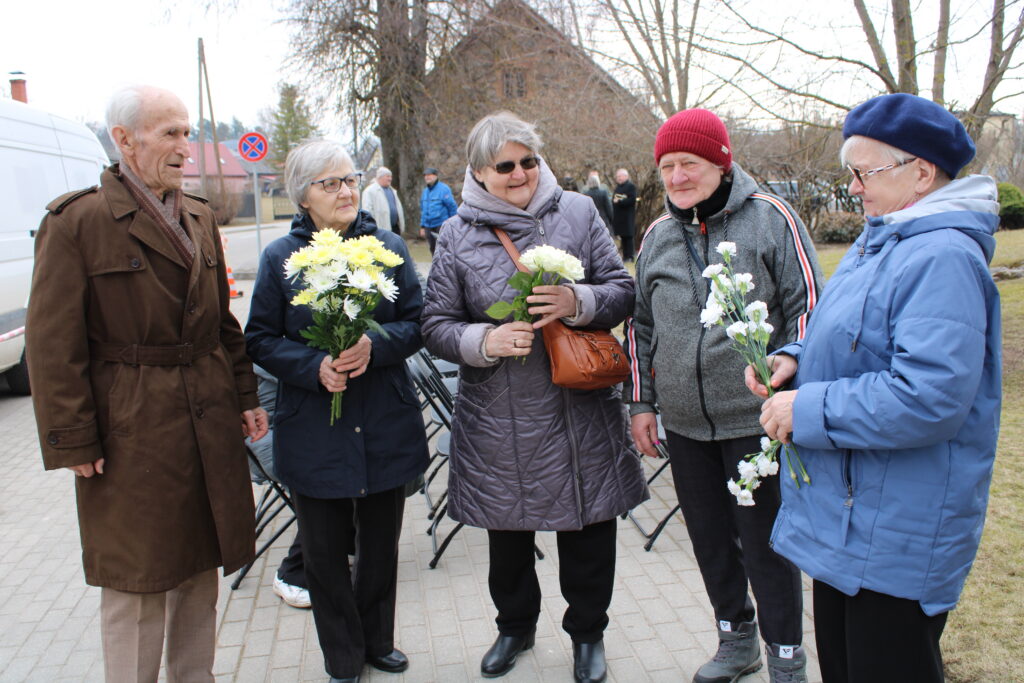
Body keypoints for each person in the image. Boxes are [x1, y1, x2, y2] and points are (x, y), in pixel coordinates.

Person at [749, 93, 1002, 683]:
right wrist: (792, 361)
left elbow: (928, 397)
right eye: (852, 173)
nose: (854, 187)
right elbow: (852, 338)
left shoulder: (942, 256)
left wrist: (807, 408)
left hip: (896, 530)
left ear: (922, 172)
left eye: (865, 173)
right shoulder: (881, 240)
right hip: (852, 517)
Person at [25, 84, 268, 683]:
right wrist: (73, 439)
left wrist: (245, 396)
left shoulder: (199, 215)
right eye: (170, 133)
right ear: (125, 140)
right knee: (137, 582)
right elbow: (53, 347)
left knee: (199, 570)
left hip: (206, 417)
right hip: (129, 428)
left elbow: (221, 324)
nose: (185, 146)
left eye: (188, 132)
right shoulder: (76, 222)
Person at [422, 111, 647, 683]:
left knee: (589, 529)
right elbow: (436, 325)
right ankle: (515, 627)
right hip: (501, 414)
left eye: (528, 161)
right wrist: (485, 340)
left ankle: (588, 634)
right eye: (505, 166)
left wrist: (578, 302)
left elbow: (623, 291)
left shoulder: (578, 211)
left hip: (579, 406)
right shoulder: (456, 234)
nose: (520, 173)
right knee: (508, 535)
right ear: (478, 171)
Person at [624, 108, 822, 683]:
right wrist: (642, 404)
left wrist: (790, 359)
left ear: (721, 162)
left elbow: (811, 306)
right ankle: (736, 640)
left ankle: (786, 655)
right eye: (667, 166)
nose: (677, 176)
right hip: (685, 424)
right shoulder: (657, 237)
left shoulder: (771, 219)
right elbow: (640, 327)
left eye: (689, 162)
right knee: (710, 542)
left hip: (757, 420)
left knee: (767, 546)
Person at [245, 139, 428, 683]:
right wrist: (313, 366)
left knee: (380, 546)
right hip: (314, 427)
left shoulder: (386, 246)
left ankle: (377, 642)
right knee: (323, 554)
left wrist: (375, 344)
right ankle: (343, 657)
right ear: (303, 197)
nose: (346, 191)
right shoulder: (282, 259)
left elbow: (418, 321)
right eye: (331, 183)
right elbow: (259, 338)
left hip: (383, 418)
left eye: (350, 179)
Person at [246, 365, 310, 609]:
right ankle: (292, 574)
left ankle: (347, 543)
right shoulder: (271, 354)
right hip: (268, 441)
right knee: (334, 475)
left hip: (293, 433)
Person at [419, 166, 458, 254]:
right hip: (428, 226)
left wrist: (454, 224)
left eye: (429, 175)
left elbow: (452, 207)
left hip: (441, 225)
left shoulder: (444, 189)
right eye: (425, 175)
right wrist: (422, 227)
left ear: (435, 176)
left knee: (444, 249)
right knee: (433, 249)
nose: (427, 177)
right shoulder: (425, 192)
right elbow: (423, 210)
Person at [361, 166, 405, 236]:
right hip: (380, 230)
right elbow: (367, 211)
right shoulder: (369, 191)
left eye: (391, 176)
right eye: (387, 176)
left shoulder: (393, 191)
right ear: (380, 177)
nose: (390, 179)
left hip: (395, 228)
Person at [611, 168, 637, 262]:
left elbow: (632, 200)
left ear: (626, 176)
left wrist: (620, 201)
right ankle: (625, 256)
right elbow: (614, 199)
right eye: (617, 177)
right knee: (623, 237)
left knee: (628, 237)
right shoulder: (618, 187)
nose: (618, 178)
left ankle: (630, 256)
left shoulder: (630, 186)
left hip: (627, 216)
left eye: (620, 176)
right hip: (619, 217)